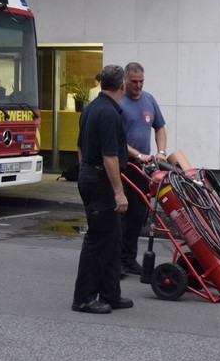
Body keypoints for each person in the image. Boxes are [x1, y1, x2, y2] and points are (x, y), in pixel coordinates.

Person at [71, 64, 133, 313]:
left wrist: (85, 171)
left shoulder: (91, 108)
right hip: (101, 182)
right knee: (98, 240)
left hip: (91, 177)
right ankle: (83, 298)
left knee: (113, 237)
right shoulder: (108, 113)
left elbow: (80, 148)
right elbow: (110, 156)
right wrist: (118, 192)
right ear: (122, 85)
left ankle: (110, 293)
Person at [118, 62, 167, 276]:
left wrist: (161, 152)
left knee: (138, 215)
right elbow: (117, 139)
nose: (138, 86)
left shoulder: (149, 100)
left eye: (141, 81)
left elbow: (160, 127)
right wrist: (137, 154)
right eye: (134, 82)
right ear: (125, 81)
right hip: (123, 167)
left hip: (142, 169)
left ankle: (129, 258)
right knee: (121, 214)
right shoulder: (119, 102)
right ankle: (116, 260)